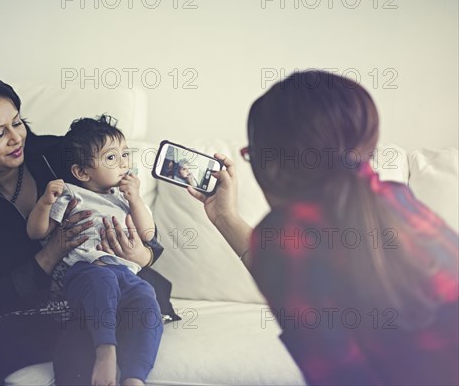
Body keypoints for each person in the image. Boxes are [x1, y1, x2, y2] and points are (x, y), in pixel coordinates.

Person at [188, 70, 459, 385]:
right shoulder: (396, 199)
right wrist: (225, 217)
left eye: (252, 156)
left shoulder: (284, 239)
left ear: (271, 163)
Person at [0, 71, 165, 385]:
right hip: (46, 310)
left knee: (95, 314)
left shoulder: (59, 155)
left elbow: (146, 233)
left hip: (115, 291)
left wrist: (141, 253)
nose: (16, 138)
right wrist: (51, 252)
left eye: (17, 122)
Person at [27, 116, 163, 386]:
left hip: (127, 275)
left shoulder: (125, 199)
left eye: (125, 154)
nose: (124, 163)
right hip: (87, 274)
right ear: (82, 172)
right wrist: (44, 203)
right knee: (102, 280)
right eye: (112, 158)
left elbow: (148, 235)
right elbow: (36, 232)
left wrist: (135, 199)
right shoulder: (71, 194)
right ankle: (106, 352)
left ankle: (135, 377)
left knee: (147, 297)